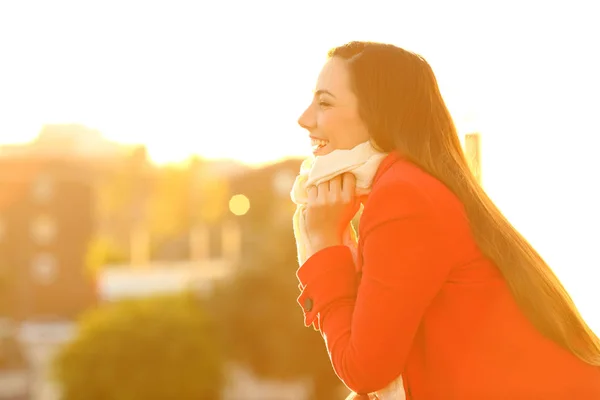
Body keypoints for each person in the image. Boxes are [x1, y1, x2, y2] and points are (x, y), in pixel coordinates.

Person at [292, 41, 600, 399]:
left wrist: (327, 244)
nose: (305, 118)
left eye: (325, 102)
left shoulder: (403, 197)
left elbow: (365, 370)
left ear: (379, 113)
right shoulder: (413, 184)